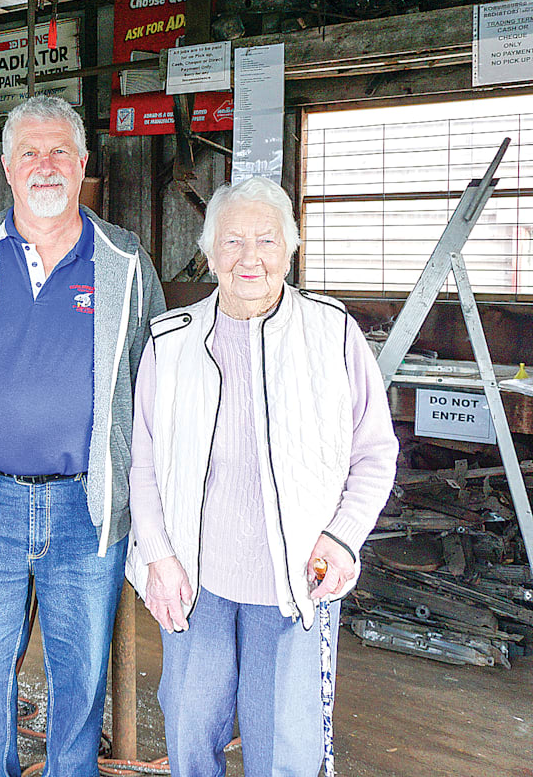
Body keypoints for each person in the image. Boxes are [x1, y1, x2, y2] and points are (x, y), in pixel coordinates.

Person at [0, 94, 165, 777]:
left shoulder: (123, 260)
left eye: (60, 151)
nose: (45, 165)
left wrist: (149, 508)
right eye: (30, 151)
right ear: (6, 167)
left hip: (88, 508)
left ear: (84, 162)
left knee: (80, 680)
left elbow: (156, 389)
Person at [126, 176, 399, 776]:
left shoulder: (333, 333)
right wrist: (158, 555)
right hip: (197, 578)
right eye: (232, 242)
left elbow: (375, 453)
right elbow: (142, 463)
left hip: (298, 578)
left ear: (290, 248)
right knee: (192, 730)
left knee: (284, 747)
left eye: (266, 241)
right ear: (209, 250)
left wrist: (343, 535)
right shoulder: (170, 342)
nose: (249, 257)